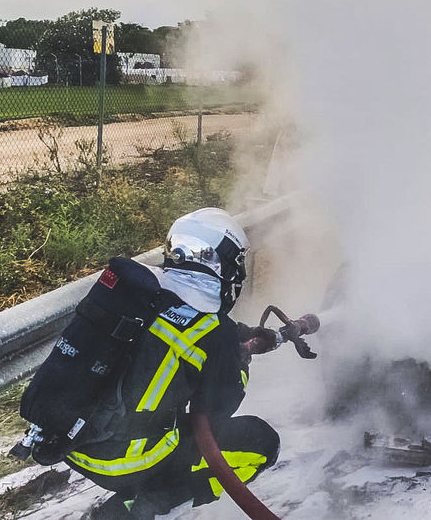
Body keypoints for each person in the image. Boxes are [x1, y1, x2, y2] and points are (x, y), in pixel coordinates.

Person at [70, 208, 280, 519]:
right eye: (235, 263)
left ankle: (136, 495)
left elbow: (167, 340)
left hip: (75, 444)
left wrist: (238, 336)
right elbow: (218, 407)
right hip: (124, 460)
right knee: (261, 442)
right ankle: (139, 506)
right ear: (217, 263)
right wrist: (241, 359)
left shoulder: (145, 294)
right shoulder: (213, 331)